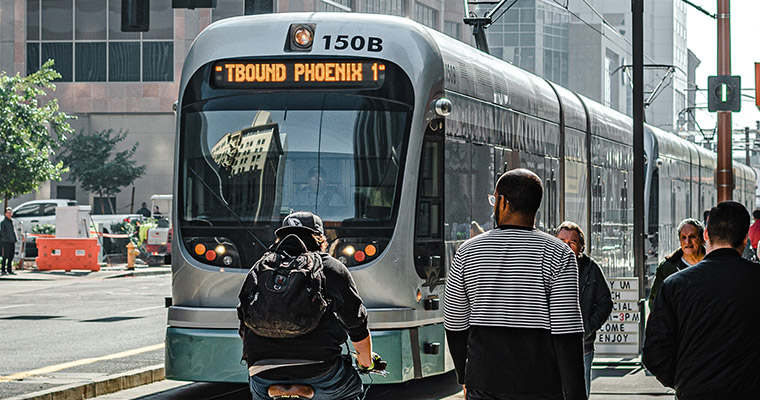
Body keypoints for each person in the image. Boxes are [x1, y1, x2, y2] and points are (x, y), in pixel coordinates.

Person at [444, 169, 586, 400]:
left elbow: (455, 323)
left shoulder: (468, 252)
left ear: (502, 202)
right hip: (541, 384)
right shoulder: (558, 253)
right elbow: (567, 331)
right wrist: (576, 394)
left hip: (485, 383)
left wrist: (465, 375)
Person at [239, 211, 373, 400]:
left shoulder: (261, 267)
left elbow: (244, 321)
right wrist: (366, 363)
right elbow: (356, 323)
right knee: (351, 389)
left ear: (279, 239)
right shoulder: (330, 267)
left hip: (263, 373)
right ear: (320, 239)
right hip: (320, 371)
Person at [643, 201, 760, 398]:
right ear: (745, 238)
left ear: (706, 235)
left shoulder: (675, 285)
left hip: (694, 391)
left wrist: (684, 380)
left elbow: (655, 353)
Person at [556, 221, 613, 397]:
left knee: (578, 394)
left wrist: (587, 327)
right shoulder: (546, 267)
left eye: (572, 242)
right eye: (561, 241)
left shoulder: (591, 268)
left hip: (582, 348)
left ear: (581, 247)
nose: (566, 246)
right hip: (550, 347)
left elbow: (605, 303)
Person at [648, 218, 705, 306]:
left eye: (692, 236)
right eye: (683, 237)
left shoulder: (714, 265)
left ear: (703, 240)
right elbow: (655, 302)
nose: (687, 242)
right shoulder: (667, 269)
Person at [1, 207, 17, 275]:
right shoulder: (3, 222)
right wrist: (6, 238)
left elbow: (13, 231)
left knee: (11, 256)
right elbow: (2, 232)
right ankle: (3, 270)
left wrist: (15, 238)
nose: (10, 214)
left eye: (10, 212)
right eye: (8, 213)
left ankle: (9, 269)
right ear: (5, 214)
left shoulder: (12, 221)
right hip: (6, 241)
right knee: (5, 256)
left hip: (12, 241)